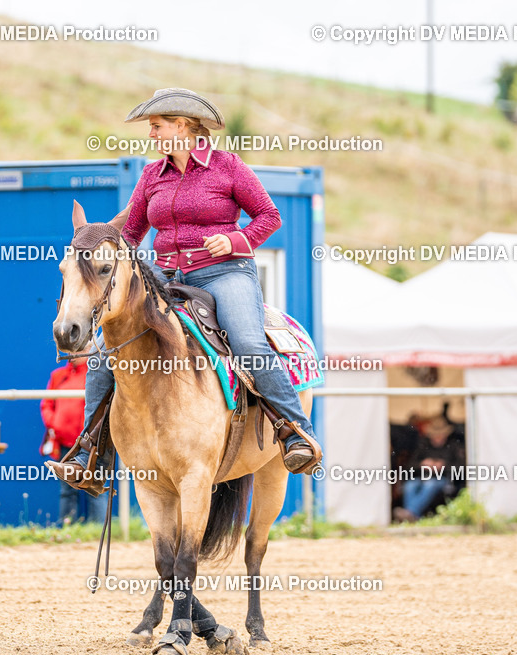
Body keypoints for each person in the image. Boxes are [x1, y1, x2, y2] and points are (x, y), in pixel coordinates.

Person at [48, 87, 323, 492]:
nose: (152, 134)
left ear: (182, 126)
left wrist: (234, 242)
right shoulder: (150, 175)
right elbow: (132, 231)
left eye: (157, 126)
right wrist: (94, 238)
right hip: (166, 278)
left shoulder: (228, 166)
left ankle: (295, 432)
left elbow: (270, 216)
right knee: (107, 353)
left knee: (247, 343)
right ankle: (93, 453)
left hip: (224, 274)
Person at [41, 347, 106, 523]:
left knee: (94, 488)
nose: (72, 355)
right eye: (69, 351)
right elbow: (46, 404)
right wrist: (55, 424)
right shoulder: (58, 375)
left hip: (91, 444)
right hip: (64, 443)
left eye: (77, 351)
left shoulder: (97, 375)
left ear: (88, 350)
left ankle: (97, 530)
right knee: (67, 489)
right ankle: (67, 528)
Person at [394, 415, 464, 522]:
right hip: (422, 477)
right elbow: (410, 465)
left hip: (443, 479)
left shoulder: (453, 447)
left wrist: (442, 466)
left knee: (430, 484)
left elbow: (460, 467)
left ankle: (410, 513)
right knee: (410, 485)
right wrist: (423, 464)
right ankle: (411, 515)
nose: (437, 438)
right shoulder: (423, 445)